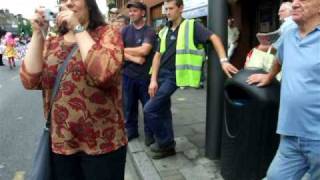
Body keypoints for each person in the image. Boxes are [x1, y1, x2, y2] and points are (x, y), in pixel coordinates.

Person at [20, 0, 127, 179]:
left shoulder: (107, 34)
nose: (68, 2)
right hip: (62, 144)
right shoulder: (53, 42)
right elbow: (29, 80)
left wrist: (78, 28)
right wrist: (38, 33)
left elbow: (103, 73)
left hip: (103, 143)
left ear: (89, 4)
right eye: (63, 0)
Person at [144, 0, 238, 159]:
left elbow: (214, 38)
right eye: (165, 9)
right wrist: (153, 79)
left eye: (171, 8)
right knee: (162, 110)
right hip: (160, 75)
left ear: (181, 8)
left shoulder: (192, 26)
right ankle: (168, 146)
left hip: (174, 76)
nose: (167, 12)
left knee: (149, 109)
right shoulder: (164, 30)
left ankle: (165, 142)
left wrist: (223, 60)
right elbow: (157, 55)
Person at [247, 0, 320, 179]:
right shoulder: (288, 35)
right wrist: (269, 76)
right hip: (290, 133)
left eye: (303, 0)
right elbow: (279, 59)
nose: (295, 3)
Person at [121, 1, 157, 146]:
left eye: (134, 11)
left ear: (142, 13)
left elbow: (145, 50)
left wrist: (125, 51)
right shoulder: (124, 31)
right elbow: (116, 49)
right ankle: (131, 131)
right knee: (129, 106)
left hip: (145, 77)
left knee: (148, 107)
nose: (131, 13)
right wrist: (134, 58)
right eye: (130, 11)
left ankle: (149, 134)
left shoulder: (149, 31)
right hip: (128, 75)